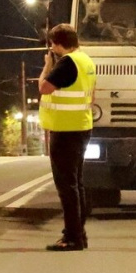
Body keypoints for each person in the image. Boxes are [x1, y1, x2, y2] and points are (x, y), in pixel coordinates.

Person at [39, 23, 97, 251]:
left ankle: (72, 237)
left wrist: (46, 66)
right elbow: (93, 94)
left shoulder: (67, 62)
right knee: (77, 183)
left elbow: (44, 87)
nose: (52, 49)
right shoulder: (86, 61)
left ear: (57, 44)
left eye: (52, 44)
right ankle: (78, 234)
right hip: (82, 126)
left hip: (65, 130)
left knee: (66, 186)